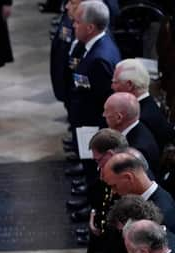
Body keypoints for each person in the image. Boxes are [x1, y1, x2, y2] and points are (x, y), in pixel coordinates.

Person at [67, 0, 120, 131]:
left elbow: (103, 102)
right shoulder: (91, 45)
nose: (73, 25)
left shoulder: (99, 60)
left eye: (78, 22)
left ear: (90, 28)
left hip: (92, 128)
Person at [112, 58, 175, 150]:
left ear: (129, 85)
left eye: (115, 82)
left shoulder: (140, 118)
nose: (112, 86)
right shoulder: (149, 104)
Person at [102, 152, 175, 231]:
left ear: (128, 177)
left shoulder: (162, 214)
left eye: (114, 186)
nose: (113, 191)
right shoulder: (150, 202)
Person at [103, 92, 160, 174]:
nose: (104, 115)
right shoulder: (137, 127)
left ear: (119, 118)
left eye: (106, 112)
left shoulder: (135, 150)